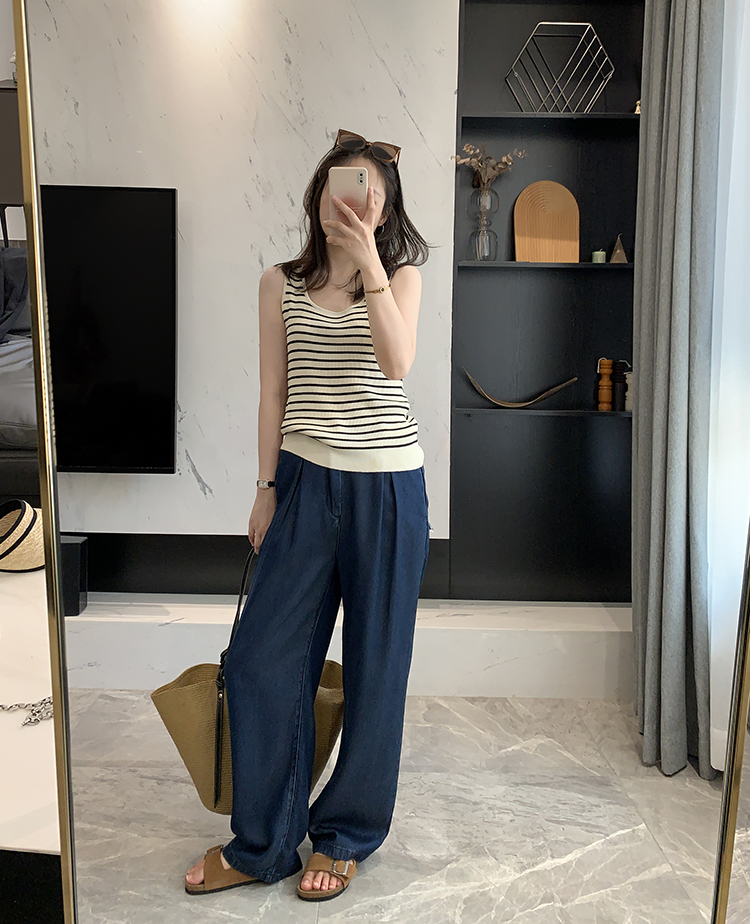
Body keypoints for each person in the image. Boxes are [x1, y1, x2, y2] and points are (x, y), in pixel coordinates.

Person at [185, 128, 431, 902]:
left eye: (370, 196)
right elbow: (273, 392)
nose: (352, 203)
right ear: (319, 195)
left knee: (376, 669)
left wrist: (371, 269)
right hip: (302, 482)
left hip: (387, 489)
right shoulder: (280, 283)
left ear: (384, 211)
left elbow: (396, 363)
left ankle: (345, 835)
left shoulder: (402, 277)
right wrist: (264, 488)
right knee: (261, 661)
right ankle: (263, 843)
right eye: (341, 187)